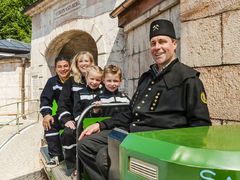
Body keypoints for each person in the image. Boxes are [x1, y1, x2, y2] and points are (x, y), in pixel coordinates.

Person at [77, 19, 212, 180]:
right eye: (153, 43)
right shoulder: (147, 77)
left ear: (174, 44)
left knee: (104, 157)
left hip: (160, 142)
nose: (157, 47)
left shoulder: (188, 79)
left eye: (162, 41)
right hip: (133, 133)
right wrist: (101, 124)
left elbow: (200, 125)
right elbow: (130, 112)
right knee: (85, 145)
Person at [57, 51, 95, 175]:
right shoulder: (71, 82)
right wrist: (67, 120)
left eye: (86, 61)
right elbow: (62, 104)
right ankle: (74, 167)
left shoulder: (97, 79)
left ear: (91, 62)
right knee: (68, 133)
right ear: (77, 64)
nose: (84, 64)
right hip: (75, 119)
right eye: (81, 61)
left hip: (94, 119)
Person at [40, 55, 71, 166]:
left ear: (70, 66)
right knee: (50, 123)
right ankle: (56, 156)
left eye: (65, 66)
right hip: (62, 114)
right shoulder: (52, 82)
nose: (63, 69)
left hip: (77, 113)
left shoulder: (76, 80)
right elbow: (45, 99)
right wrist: (47, 115)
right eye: (60, 67)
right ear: (56, 69)